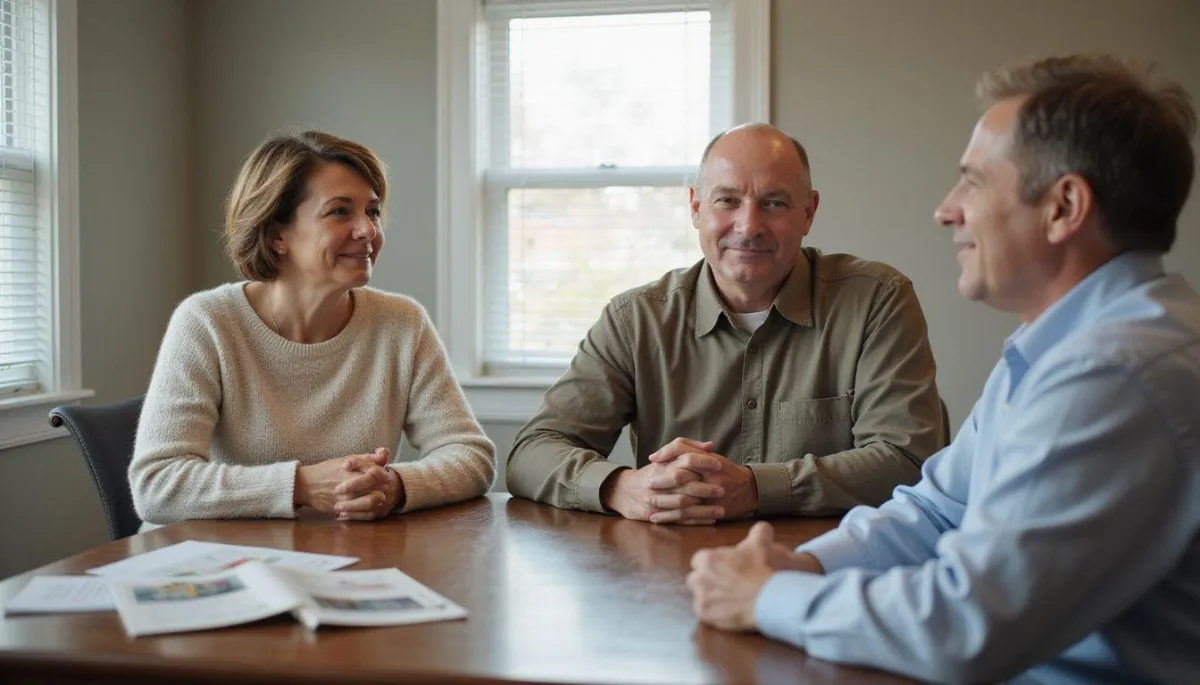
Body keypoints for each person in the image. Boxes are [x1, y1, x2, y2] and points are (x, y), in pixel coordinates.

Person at [686, 55, 1199, 684]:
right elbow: (935, 511)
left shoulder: (1117, 374)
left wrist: (764, 599)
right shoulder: (1054, 347)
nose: (946, 210)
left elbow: (967, 626)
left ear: (1064, 206)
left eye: (974, 182)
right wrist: (802, 568)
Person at [507, 123, 946, 524]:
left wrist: (755, 489)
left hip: (827, 569)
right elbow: (532, 452)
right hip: (671, 575)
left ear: (808, 213)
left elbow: (907, 459)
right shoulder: (635, 320)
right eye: (727, 200)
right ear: (696, 207)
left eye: (774, 202)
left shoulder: (877, 300)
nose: (749, 225)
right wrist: (621, 487)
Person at [130, 131, 495, 527]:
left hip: (349, 560)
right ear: (277, 236)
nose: (367, 230)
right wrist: (301, 485)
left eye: (372, 212)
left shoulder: (402, 323)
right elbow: (156, 485)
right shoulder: (208, 322)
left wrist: (395, 485)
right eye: (340, 211)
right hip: (228, 566)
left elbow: (471, 456)